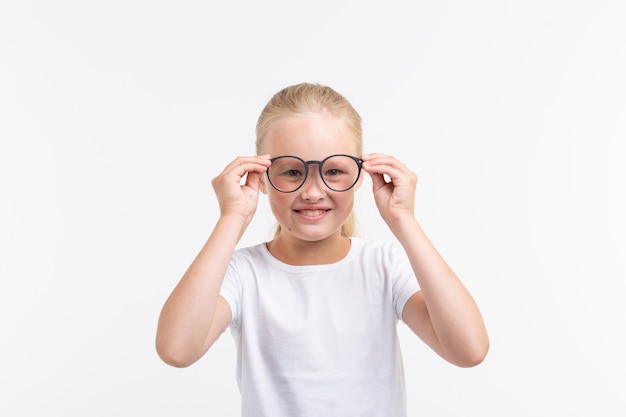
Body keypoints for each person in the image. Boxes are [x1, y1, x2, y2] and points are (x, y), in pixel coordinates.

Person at [155, 82, 489, 417]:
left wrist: (403, 219)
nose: (313, 192)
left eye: (333, 171)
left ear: (360, 174)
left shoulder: (383, 265)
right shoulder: (243, 273)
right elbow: (177, 350)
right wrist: (233, 216)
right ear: (261, 176)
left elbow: (468, 350)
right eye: (291, 171)